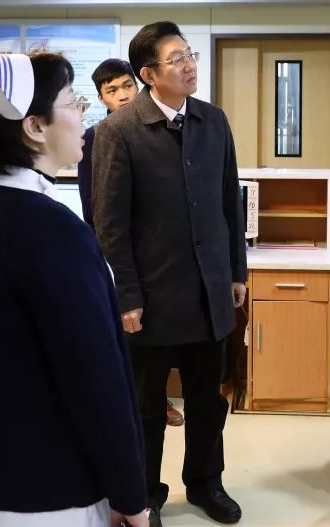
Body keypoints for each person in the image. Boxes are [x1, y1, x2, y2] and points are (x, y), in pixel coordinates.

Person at [0, 51, 149, 527]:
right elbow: (95, 378)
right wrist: (130, 493)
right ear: (34, 126)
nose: (83, 116)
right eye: (73, 102)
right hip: (58, 485)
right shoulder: (53, 231)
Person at [92, 22, 247, 527]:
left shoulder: (212, 120)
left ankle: (205, 483)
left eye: (189, 54)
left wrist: (236, 271)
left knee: (207, 401)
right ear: (148, 73)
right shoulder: (119, 130)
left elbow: (229, 202)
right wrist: (126, 297)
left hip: (209, 291)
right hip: (151, 297)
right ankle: (144, 494)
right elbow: (109, 224)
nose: (189, 65)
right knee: (146, 407)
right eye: (175, 58)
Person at [77, 58, 186, 429]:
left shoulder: (157, 128)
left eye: (127, 86)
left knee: (153, 332)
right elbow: (92, 205)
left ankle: (157, 399)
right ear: (101, 98)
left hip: (156, 252)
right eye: (112, 90)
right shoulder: (94, 137)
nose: (122, 95)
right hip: (113, 252)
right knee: (123, 331)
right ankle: (126, 402)